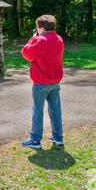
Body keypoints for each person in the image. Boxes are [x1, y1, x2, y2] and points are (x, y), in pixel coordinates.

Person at [21, 15, 65, 150]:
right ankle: (58, 138)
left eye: (37, 27)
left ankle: (35, 139)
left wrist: (33, 38)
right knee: (55, 109)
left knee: (37, 110)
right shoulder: (59, 39)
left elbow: (26, 53)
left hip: (41, 82)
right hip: (55, 81)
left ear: (41, 28)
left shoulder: (39, 40)